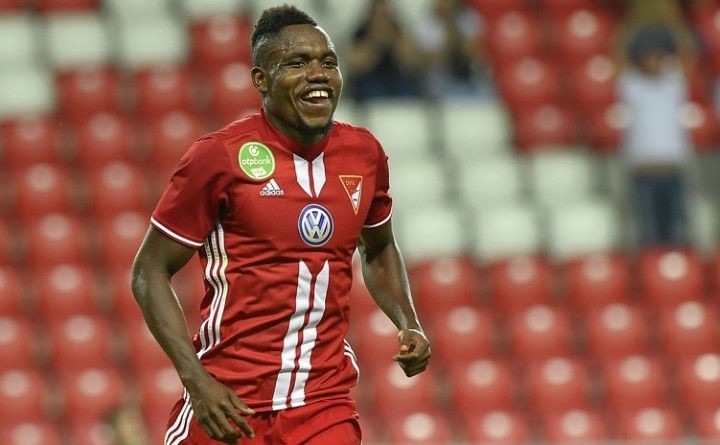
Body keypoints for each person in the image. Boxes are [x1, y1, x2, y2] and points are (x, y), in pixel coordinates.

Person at [130, 4, 431, 445]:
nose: (318, 74)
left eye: (328, 62)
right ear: (261, 80)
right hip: (228, 404)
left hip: (322, 404)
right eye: (297, 63)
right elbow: (149, 271)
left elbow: (379, 246)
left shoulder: (364, 154)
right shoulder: (218, 157)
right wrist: (196, 381)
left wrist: (408, 321)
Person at [616, 17, 697, 247]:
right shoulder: (630, 85)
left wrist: (673, 22)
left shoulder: (675, 83)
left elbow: (689, 56)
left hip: (674, 169)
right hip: (644, 171)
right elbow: (616, 57)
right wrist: (630, 24)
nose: (654, 61)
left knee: (678, 231)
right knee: (649, 232)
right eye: (648, 55)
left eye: (659, 56)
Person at [345, 0, 425, 101]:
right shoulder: (362, 32)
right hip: (370, 81)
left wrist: (393, 40)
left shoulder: (397, 30)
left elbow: (411, 62)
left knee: (409, 91)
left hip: (396, 80)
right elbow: (355, 65)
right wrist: (375, 43)